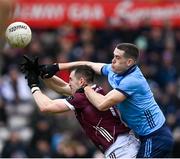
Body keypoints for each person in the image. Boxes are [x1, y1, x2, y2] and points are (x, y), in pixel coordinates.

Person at [39, 43, 174, 158]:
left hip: (155, 136)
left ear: (129, 62)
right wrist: (57, 67)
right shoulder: (114, 70)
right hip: (144, 136)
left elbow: (102, 104)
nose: (113, 60)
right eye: (113, 56)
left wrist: (84, 86)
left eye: (117, 57)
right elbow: (87, 64)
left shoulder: (132, 81)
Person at [21, 57, 140, 158]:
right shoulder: (94, 90)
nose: (69, 83)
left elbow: (46, 107)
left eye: (71, 80)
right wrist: (42, 73)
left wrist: (33, 85)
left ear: (81, 81)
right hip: (126, 144)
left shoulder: (82, 97)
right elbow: (62, 87)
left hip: (121, 150)